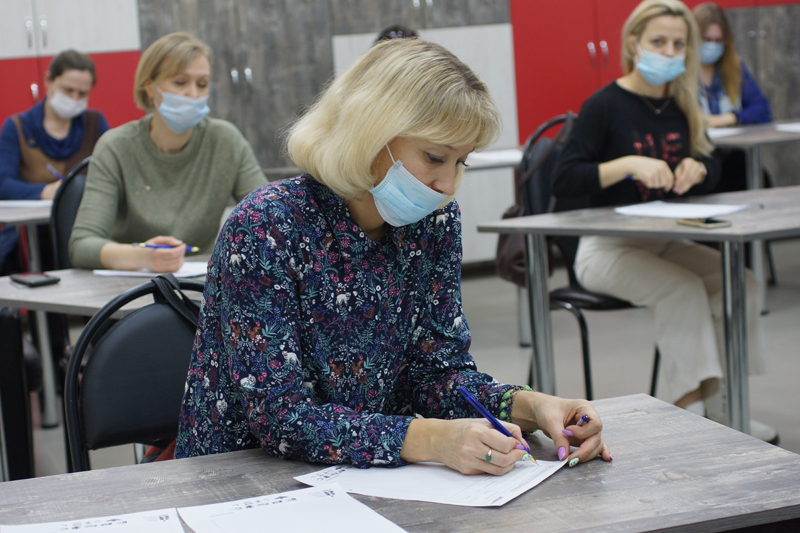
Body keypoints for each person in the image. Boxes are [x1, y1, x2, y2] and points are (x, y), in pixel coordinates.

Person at [176, 38, 612, 474]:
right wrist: (429, 438)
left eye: (461, 162)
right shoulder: (266, 225)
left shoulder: (435, 221)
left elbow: (437, 374)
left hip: (365, 477)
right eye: (435, 157)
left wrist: (532, 406)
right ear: (372, 133)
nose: (447, 184)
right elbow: (279, 417)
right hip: (240, 479)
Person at [551, 0, 771, 440]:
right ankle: (688, 415)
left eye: (678, 44)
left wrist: (699, 169)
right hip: (605, 249)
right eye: (658, 42)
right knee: (683, 290)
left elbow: (709, 165)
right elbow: (565, 179)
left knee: (741, 283)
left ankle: (727, 405)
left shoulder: (683, 105)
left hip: (663, 240)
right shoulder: (605, 105)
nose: (669, 52)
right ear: (634, 44)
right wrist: (626, 165)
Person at [68, 33, 266, 273]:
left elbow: (268, 218)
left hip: (202, 283)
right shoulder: (115, 146)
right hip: (133, 282)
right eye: (180, 82)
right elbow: (81, 245)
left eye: (202, 84)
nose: (193, 94)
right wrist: (144, 257)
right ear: (149, 87)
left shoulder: (226, 141)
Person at [0, 50, 109, 272]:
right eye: (68, 90)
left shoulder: (95, 123)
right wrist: (46, 191)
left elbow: (115, 173)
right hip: (33, 240)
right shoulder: (17, 127)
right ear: (48, 80)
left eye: (82, 93)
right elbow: (3, 183)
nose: (74, 99)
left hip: (86, 230)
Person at [693, 2, 772, 193]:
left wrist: (729, 118)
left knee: (757, 178)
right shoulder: (680, 72)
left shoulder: (734, 68)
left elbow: (762, 110)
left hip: (731, 157)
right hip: (698, 159)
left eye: (718, 41)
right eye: (706, 39)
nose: (712, 46)